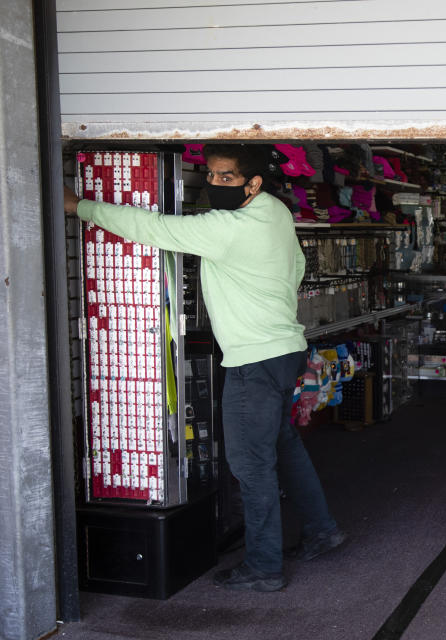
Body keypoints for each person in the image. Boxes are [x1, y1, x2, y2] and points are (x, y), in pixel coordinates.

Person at [64, 144, 346, 592]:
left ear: (253, 183)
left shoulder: (226, 229)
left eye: (226, 178)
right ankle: (321, 529)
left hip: (253, 359)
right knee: (283, 444)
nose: (215, 184)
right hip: (284, 349)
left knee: (250, 466)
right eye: (211, 175)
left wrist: (82, 206)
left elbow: (151, 227)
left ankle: (264, 566)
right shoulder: (274, 211)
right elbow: (297, 265)